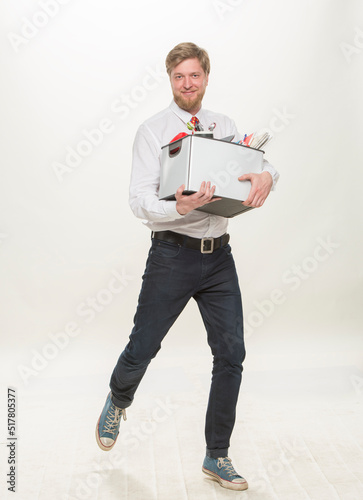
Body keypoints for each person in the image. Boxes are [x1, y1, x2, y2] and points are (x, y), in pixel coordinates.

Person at [96, 42, 279, 492]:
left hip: (218, 257)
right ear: (170, 80)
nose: (188, 84)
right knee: (144, 345)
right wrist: (176, 208)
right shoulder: (152, 131)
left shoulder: (224, 125)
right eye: (179, 77)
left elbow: (254, 164)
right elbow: (138, 200)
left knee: (231, 354)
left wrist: (267, 175)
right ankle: (119, 399)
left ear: (206, 77)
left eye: (194, 75)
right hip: (172, 255)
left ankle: (217, 456)